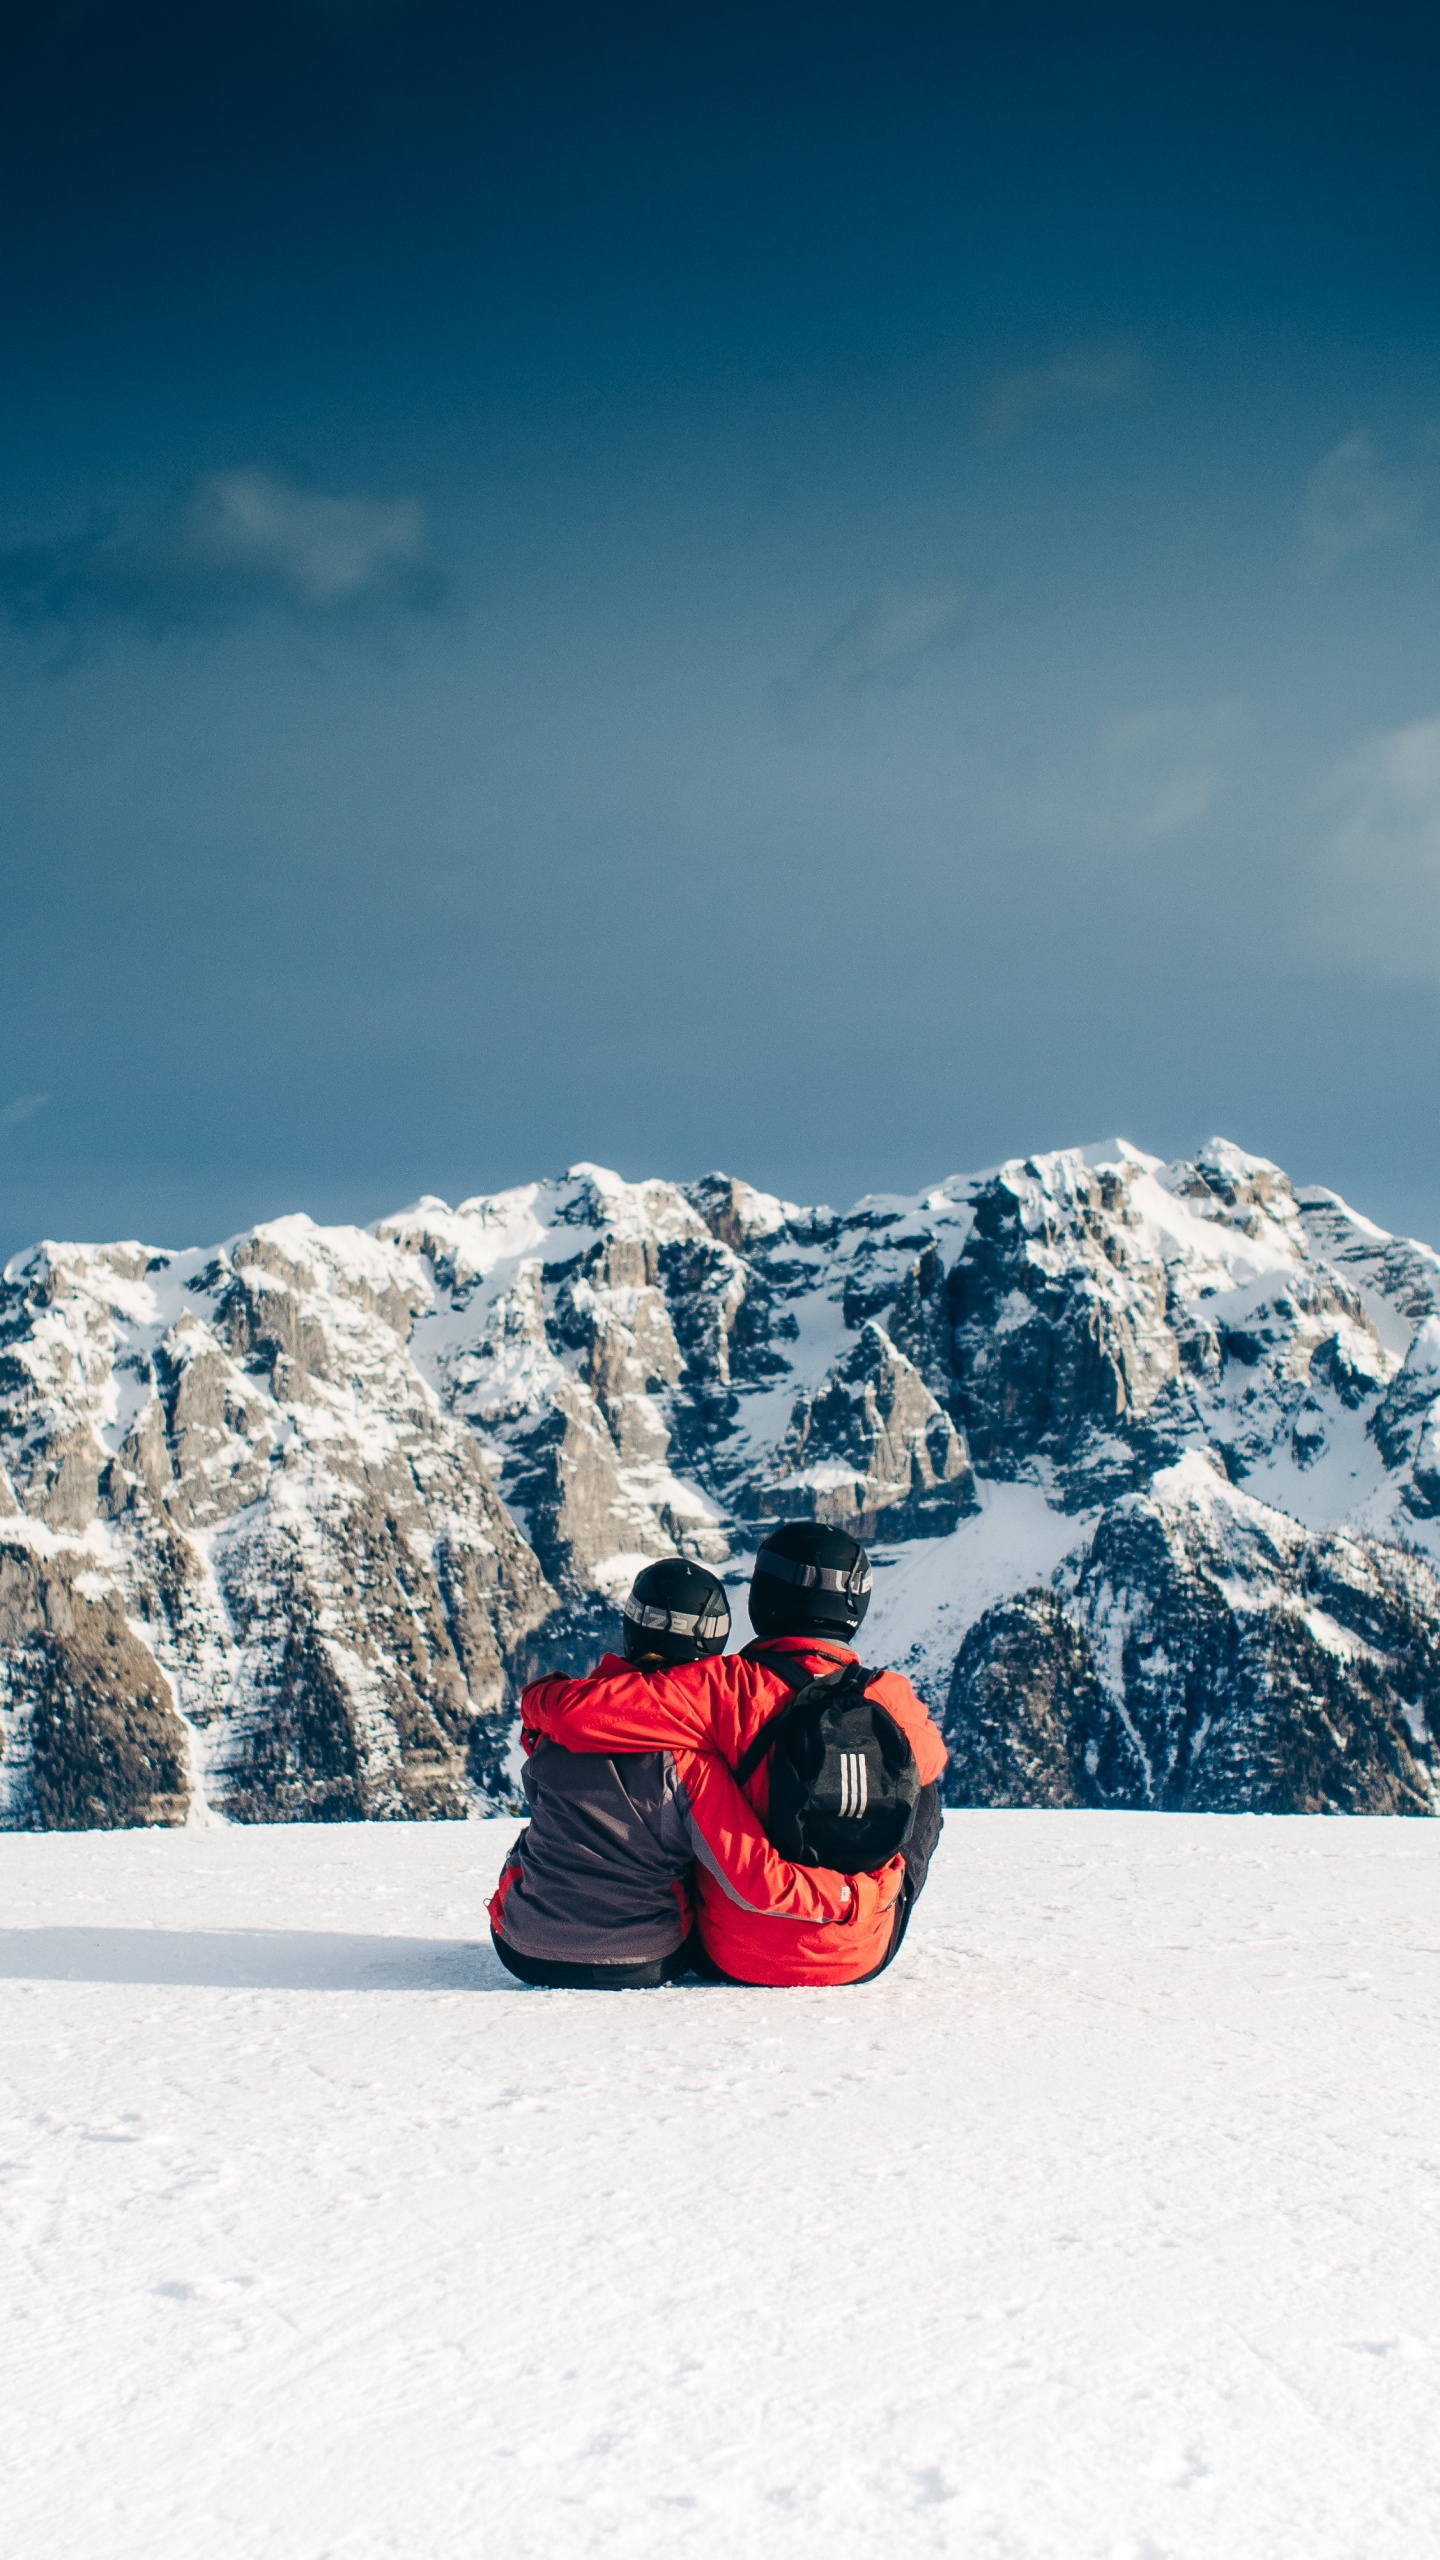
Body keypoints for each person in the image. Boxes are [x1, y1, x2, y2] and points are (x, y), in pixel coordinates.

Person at [519, 1521, 947, 1987]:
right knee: (923, 1791)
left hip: (737, 1954)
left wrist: (546, 1691)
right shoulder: (891, 1695)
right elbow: (932, 1761)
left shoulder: (721, 1687)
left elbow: (578, 1714)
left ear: (762, 1597)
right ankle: (861, 1920)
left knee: (688, 1784)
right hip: (863, 1947)